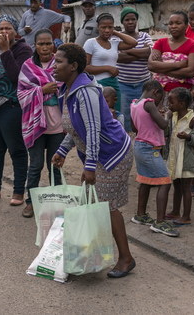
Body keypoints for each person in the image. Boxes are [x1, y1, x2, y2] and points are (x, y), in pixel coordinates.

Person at [51, 43, 136, 278]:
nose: (53, 66)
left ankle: (126, 259)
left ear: (74, 66)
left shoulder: (85, 91)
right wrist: (62, 150)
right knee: (95, 204)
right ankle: (93, 254)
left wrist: (90, 167)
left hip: (113, 154)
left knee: (107, 206)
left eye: (59, 61)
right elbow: (75, 129)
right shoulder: (68, 89)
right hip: (98, 154)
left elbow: (92, 128)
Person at [0, 14, 32, 205]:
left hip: (11, 106)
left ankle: (18, 192)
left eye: (8, 28)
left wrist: (5, 51)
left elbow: (16, 77)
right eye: (0, 28)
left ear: (16, 31)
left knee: (16, 149)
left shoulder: (23, 49)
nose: (4, 32)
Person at [18, 29, 65, 218]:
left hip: (57, 125)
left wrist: (55, 90)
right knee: (35, 165)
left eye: (48, 43)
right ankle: (30, 202)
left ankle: (59, 203)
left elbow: (69, 86)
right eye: (41, 44)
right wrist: (42, 89)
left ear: (53, 44)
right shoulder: (27, 67)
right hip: (35, 124)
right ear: (34, 46)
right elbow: (21, 95)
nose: (45, 47)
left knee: (55, 165)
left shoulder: (61, 63)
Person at [130, 80, 178, 237]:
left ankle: (140, 214)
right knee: (165, 182)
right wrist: (169, 114)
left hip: (139, 145)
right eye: (161, 98)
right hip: (150, 148)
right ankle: (160, 222)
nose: (160, 103)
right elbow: (163, 125)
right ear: (155, 92)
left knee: (145, 181)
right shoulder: (149, 104)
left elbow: (133, 128)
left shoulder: (134, 104)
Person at [165, 88, 194, 226]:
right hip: (175, 157)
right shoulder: (173, 116)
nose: (168, 105)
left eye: (171, 102)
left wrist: (188, 137)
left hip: (187, 159)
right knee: (176, 186)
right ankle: (176, 211)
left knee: (186, 188)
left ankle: (186, 216)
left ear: (182, 104)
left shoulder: (192, 119)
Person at [83, 12, 137, 112]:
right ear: (98, 27)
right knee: (102, 113)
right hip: (98, 84)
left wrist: (115, 32)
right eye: (103, 27)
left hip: (114, 84)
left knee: (116, 113)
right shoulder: (91, 43)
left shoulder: (114, 43)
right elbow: (85, 67)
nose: (107, 30)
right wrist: (107, 68)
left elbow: (133, 43)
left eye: (110, 27)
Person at [116, 7, 153, 131]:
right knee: (125, 116)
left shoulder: (145, 35)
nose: (130, 22)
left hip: (144, 84)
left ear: (137, 21)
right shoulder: (117, 38)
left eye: (133, 19)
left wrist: (128, 50)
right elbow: (119, 58)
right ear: (122, 22)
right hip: (123, 84)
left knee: (144, 114)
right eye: (127, 19)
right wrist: (140, 53)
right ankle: (129, 143)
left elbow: (149, 53)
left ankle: (142, 140)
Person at [148, 11, 194, 93]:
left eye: (178, 23)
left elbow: (190, 72)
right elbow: (151, 65)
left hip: (183, 95)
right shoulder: (160, 43)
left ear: (186, 26)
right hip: (160, 93)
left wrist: (161, 69)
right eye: (170, 23)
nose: (173, 26)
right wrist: (178, 65)